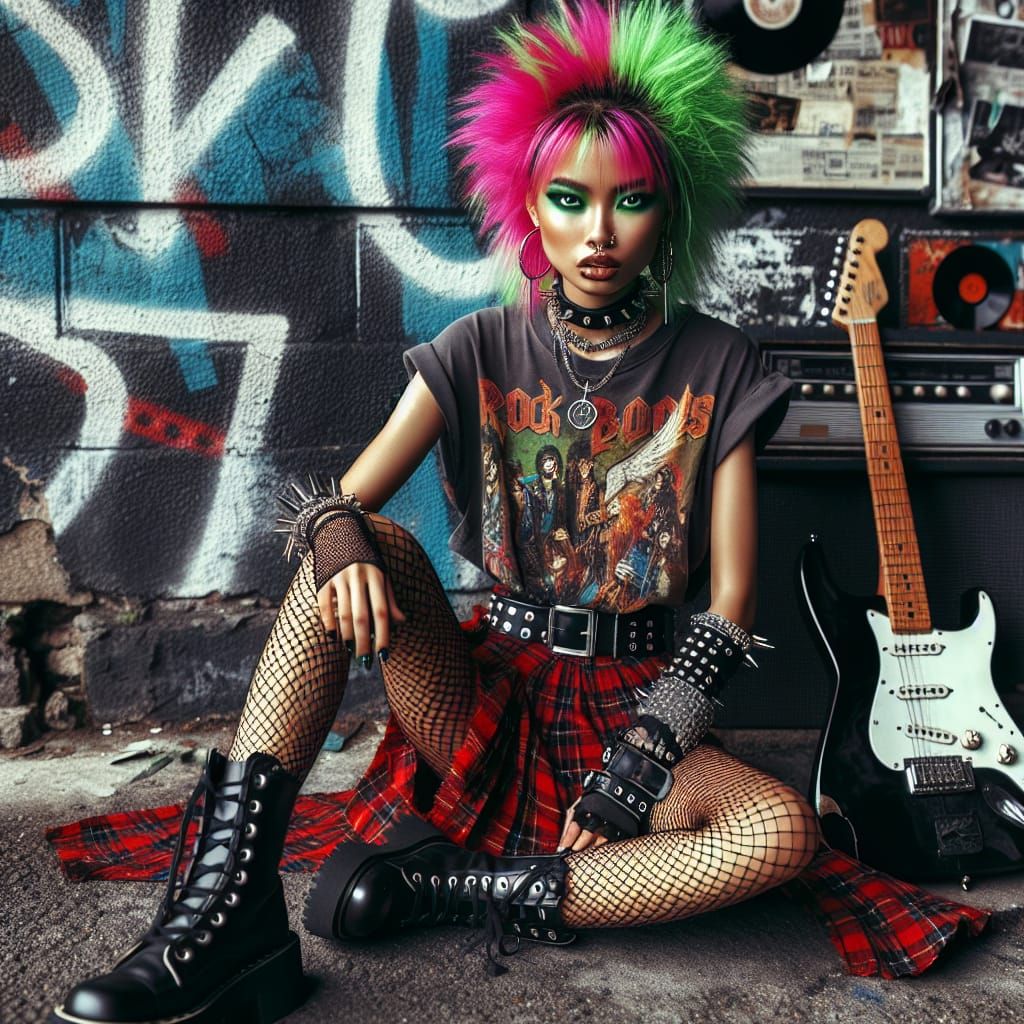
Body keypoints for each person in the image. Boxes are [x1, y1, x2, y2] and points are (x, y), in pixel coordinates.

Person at [48, 3, 988, 1022]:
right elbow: (337, 501)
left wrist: (644, 758)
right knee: (366, 543)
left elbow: (731, 604)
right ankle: (225, 911)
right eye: (569, 199)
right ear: (530, 208)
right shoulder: (477, 346)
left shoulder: (720, 362)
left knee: (781, 834)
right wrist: (340, 543)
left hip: (637, 700)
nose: (599, 232)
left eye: (630, 200)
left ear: (667, 212)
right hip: (480, 698)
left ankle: (441, 887)